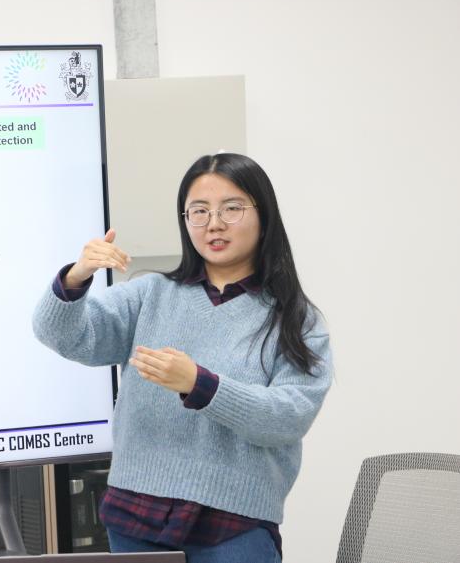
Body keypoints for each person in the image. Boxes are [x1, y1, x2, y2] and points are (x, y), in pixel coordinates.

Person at [32, 153, 332, 562]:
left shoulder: (295, 318)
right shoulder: (149, 294)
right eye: (199, 211)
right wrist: (76, 275)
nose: (214, 224)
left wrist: (200, 385)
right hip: (134, 517)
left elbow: (288, 417)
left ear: (264, 216)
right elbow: (62, 335)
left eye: (231, 208)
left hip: (233, 524)